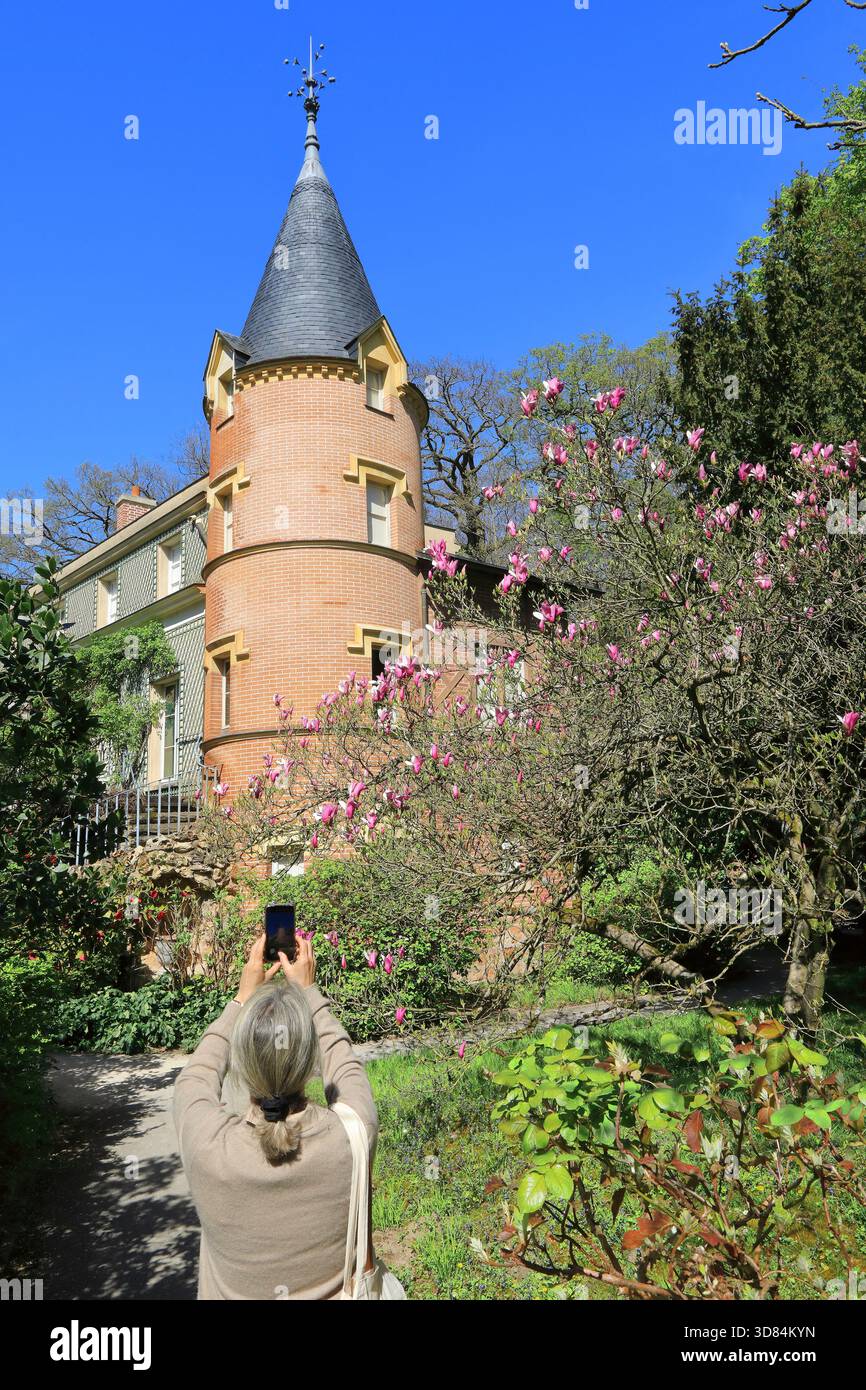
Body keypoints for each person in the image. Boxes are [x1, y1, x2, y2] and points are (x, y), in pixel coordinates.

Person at [174, 932, 378, 1299]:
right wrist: (309, 993)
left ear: (242, 1064)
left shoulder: (207, 1144)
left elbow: (197, 1076)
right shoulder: (353, 1134)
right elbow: (345, 1066)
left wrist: (240, 1000)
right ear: (309, 1063)